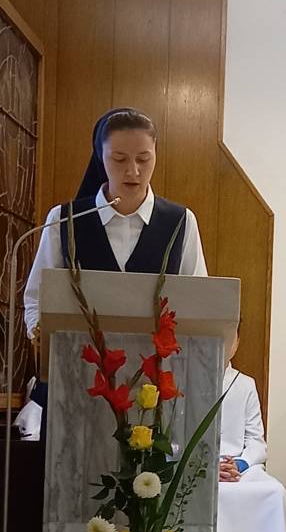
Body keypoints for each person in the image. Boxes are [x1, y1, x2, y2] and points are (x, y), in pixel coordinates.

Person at [22, 107, 208, 432]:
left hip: (152, 388)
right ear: (101, 157)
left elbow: (198, 302)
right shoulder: (66, 220)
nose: (133, 171)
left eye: (144, 159)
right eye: (119, 159)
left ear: (156, 155)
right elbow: (37, 299)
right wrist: (43, 337)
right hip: (76, 384)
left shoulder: (180, 222)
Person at [217, 329, 286, 532]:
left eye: (231, 337)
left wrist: (240, 464)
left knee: (273, 493)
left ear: (237, 342)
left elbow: (256, 440)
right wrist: (210, 465)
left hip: (239, 467)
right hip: (201, 467)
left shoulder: (244, 384)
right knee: (220, 497)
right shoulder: (188, 378)